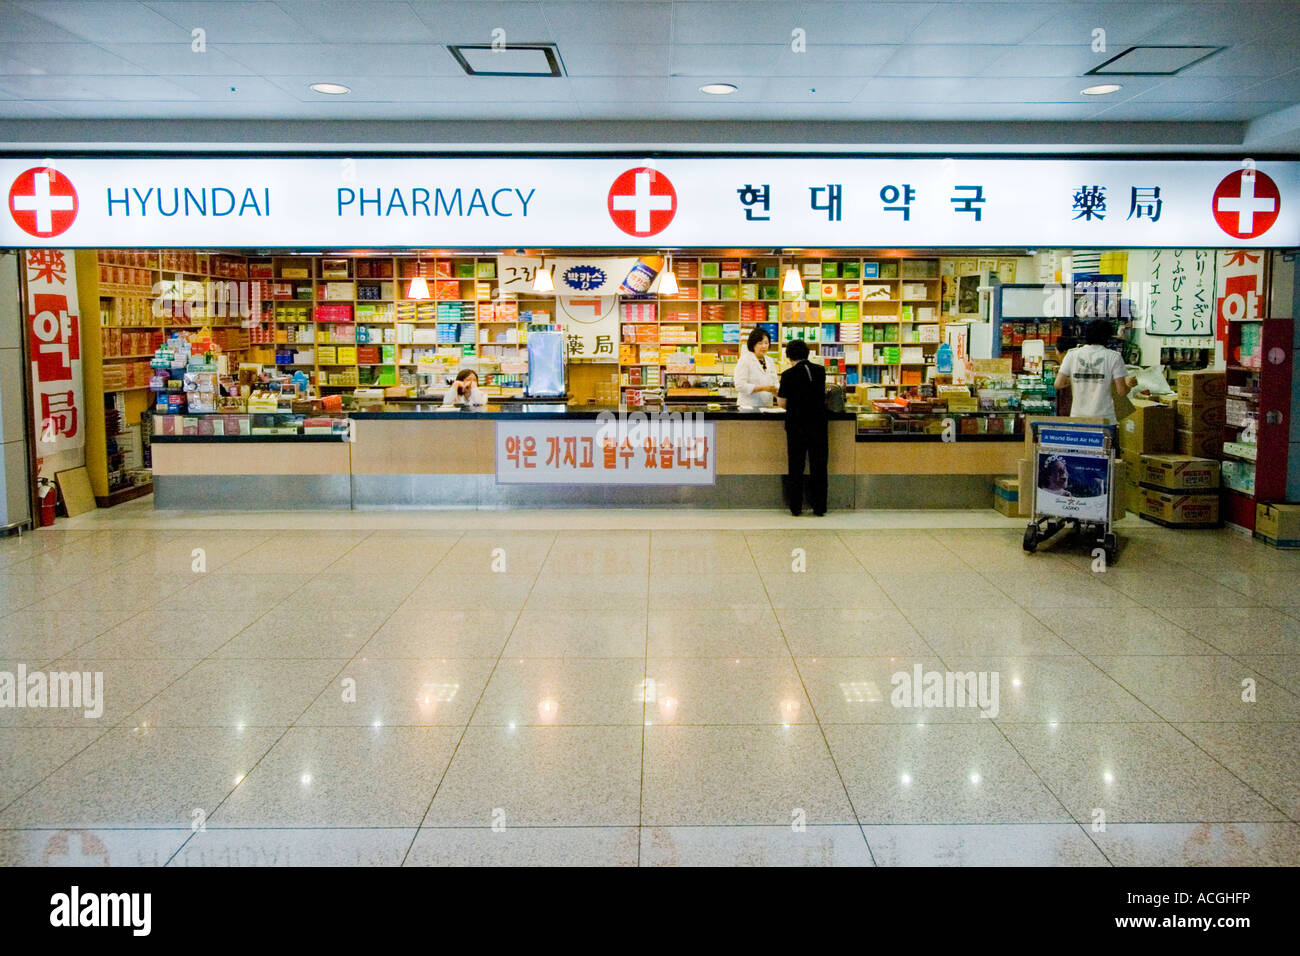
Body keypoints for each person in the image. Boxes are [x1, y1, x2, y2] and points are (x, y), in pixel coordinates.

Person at [776, 339, 828, 516]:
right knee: (819, 466)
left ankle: (796, 507)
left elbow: (782, 403)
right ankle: (819, 507)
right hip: (819, 425)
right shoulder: (820, 371)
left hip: (796, 425)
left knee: (796, 466)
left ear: (789, 356)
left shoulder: (788, 374)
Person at [1053, 320, 1130, 422]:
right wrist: (1129, 386)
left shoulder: (1072, 355)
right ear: (1107, 336)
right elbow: (1121, 391)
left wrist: (1078, 379)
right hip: (1104, 418)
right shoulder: (1114, 357)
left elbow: (1058, 384)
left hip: (1078, 417)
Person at [734, 328, 779, 409]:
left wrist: (776, 390)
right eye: (760, 343)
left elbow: (775, 382)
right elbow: (740, 385)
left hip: (767, 406)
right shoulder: (745, 360)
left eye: (766, 343)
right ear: (753, 344)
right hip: (748, 407)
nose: (764, 346)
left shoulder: (770, 361)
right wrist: (762, 388)